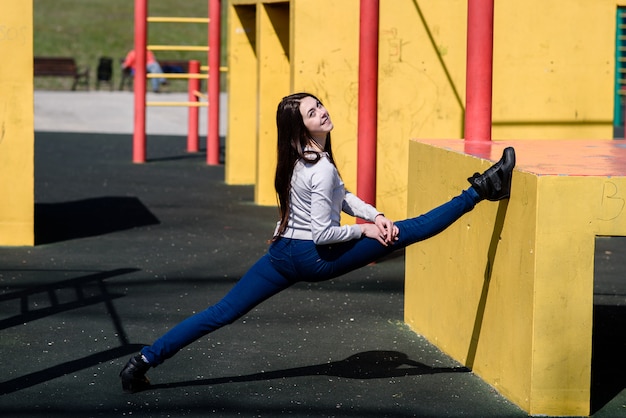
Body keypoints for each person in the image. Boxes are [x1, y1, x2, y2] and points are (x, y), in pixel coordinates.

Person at [119, 92, 516, 393]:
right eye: (312, 112)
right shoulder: (320, 167)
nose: (322, 112)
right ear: (301, 126)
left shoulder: (298, 155)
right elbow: (324, 234)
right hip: (313, 257)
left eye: (319, 105)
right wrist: (366, 230)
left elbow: (342, 197)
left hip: (283, 253)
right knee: (408, 230)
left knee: (221, 311)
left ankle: (142, 361)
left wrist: (373, 214)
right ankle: (483, 189)